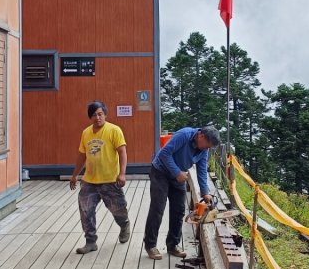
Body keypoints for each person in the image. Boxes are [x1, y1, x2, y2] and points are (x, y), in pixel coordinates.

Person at [143, 126, 219, 260]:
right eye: (207, 146)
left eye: (209, 147)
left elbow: (201, 169)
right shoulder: (184, 135)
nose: (206, 149)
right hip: (160, 172)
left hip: (179, 176)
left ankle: (172, 245)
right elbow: (164, 154)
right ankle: (150, 245)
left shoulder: (204, 149)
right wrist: (177, 172)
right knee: (158, 208)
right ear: (201, 136)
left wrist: (205, 192)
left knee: (178, 210)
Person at [70, 101, 130, 255]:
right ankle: (90, 242)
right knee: (86, 211)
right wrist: (75, 175)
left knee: (118, 210)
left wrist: (122, 173)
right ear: (90, 117)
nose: (97, 117)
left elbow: (122, 152)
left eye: (100, 114)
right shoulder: (86, 133)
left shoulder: (114, 130)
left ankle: (124, 225)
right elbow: (82, 155)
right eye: (94, 115)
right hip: (90, 181)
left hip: (110, 180)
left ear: (105, 114)